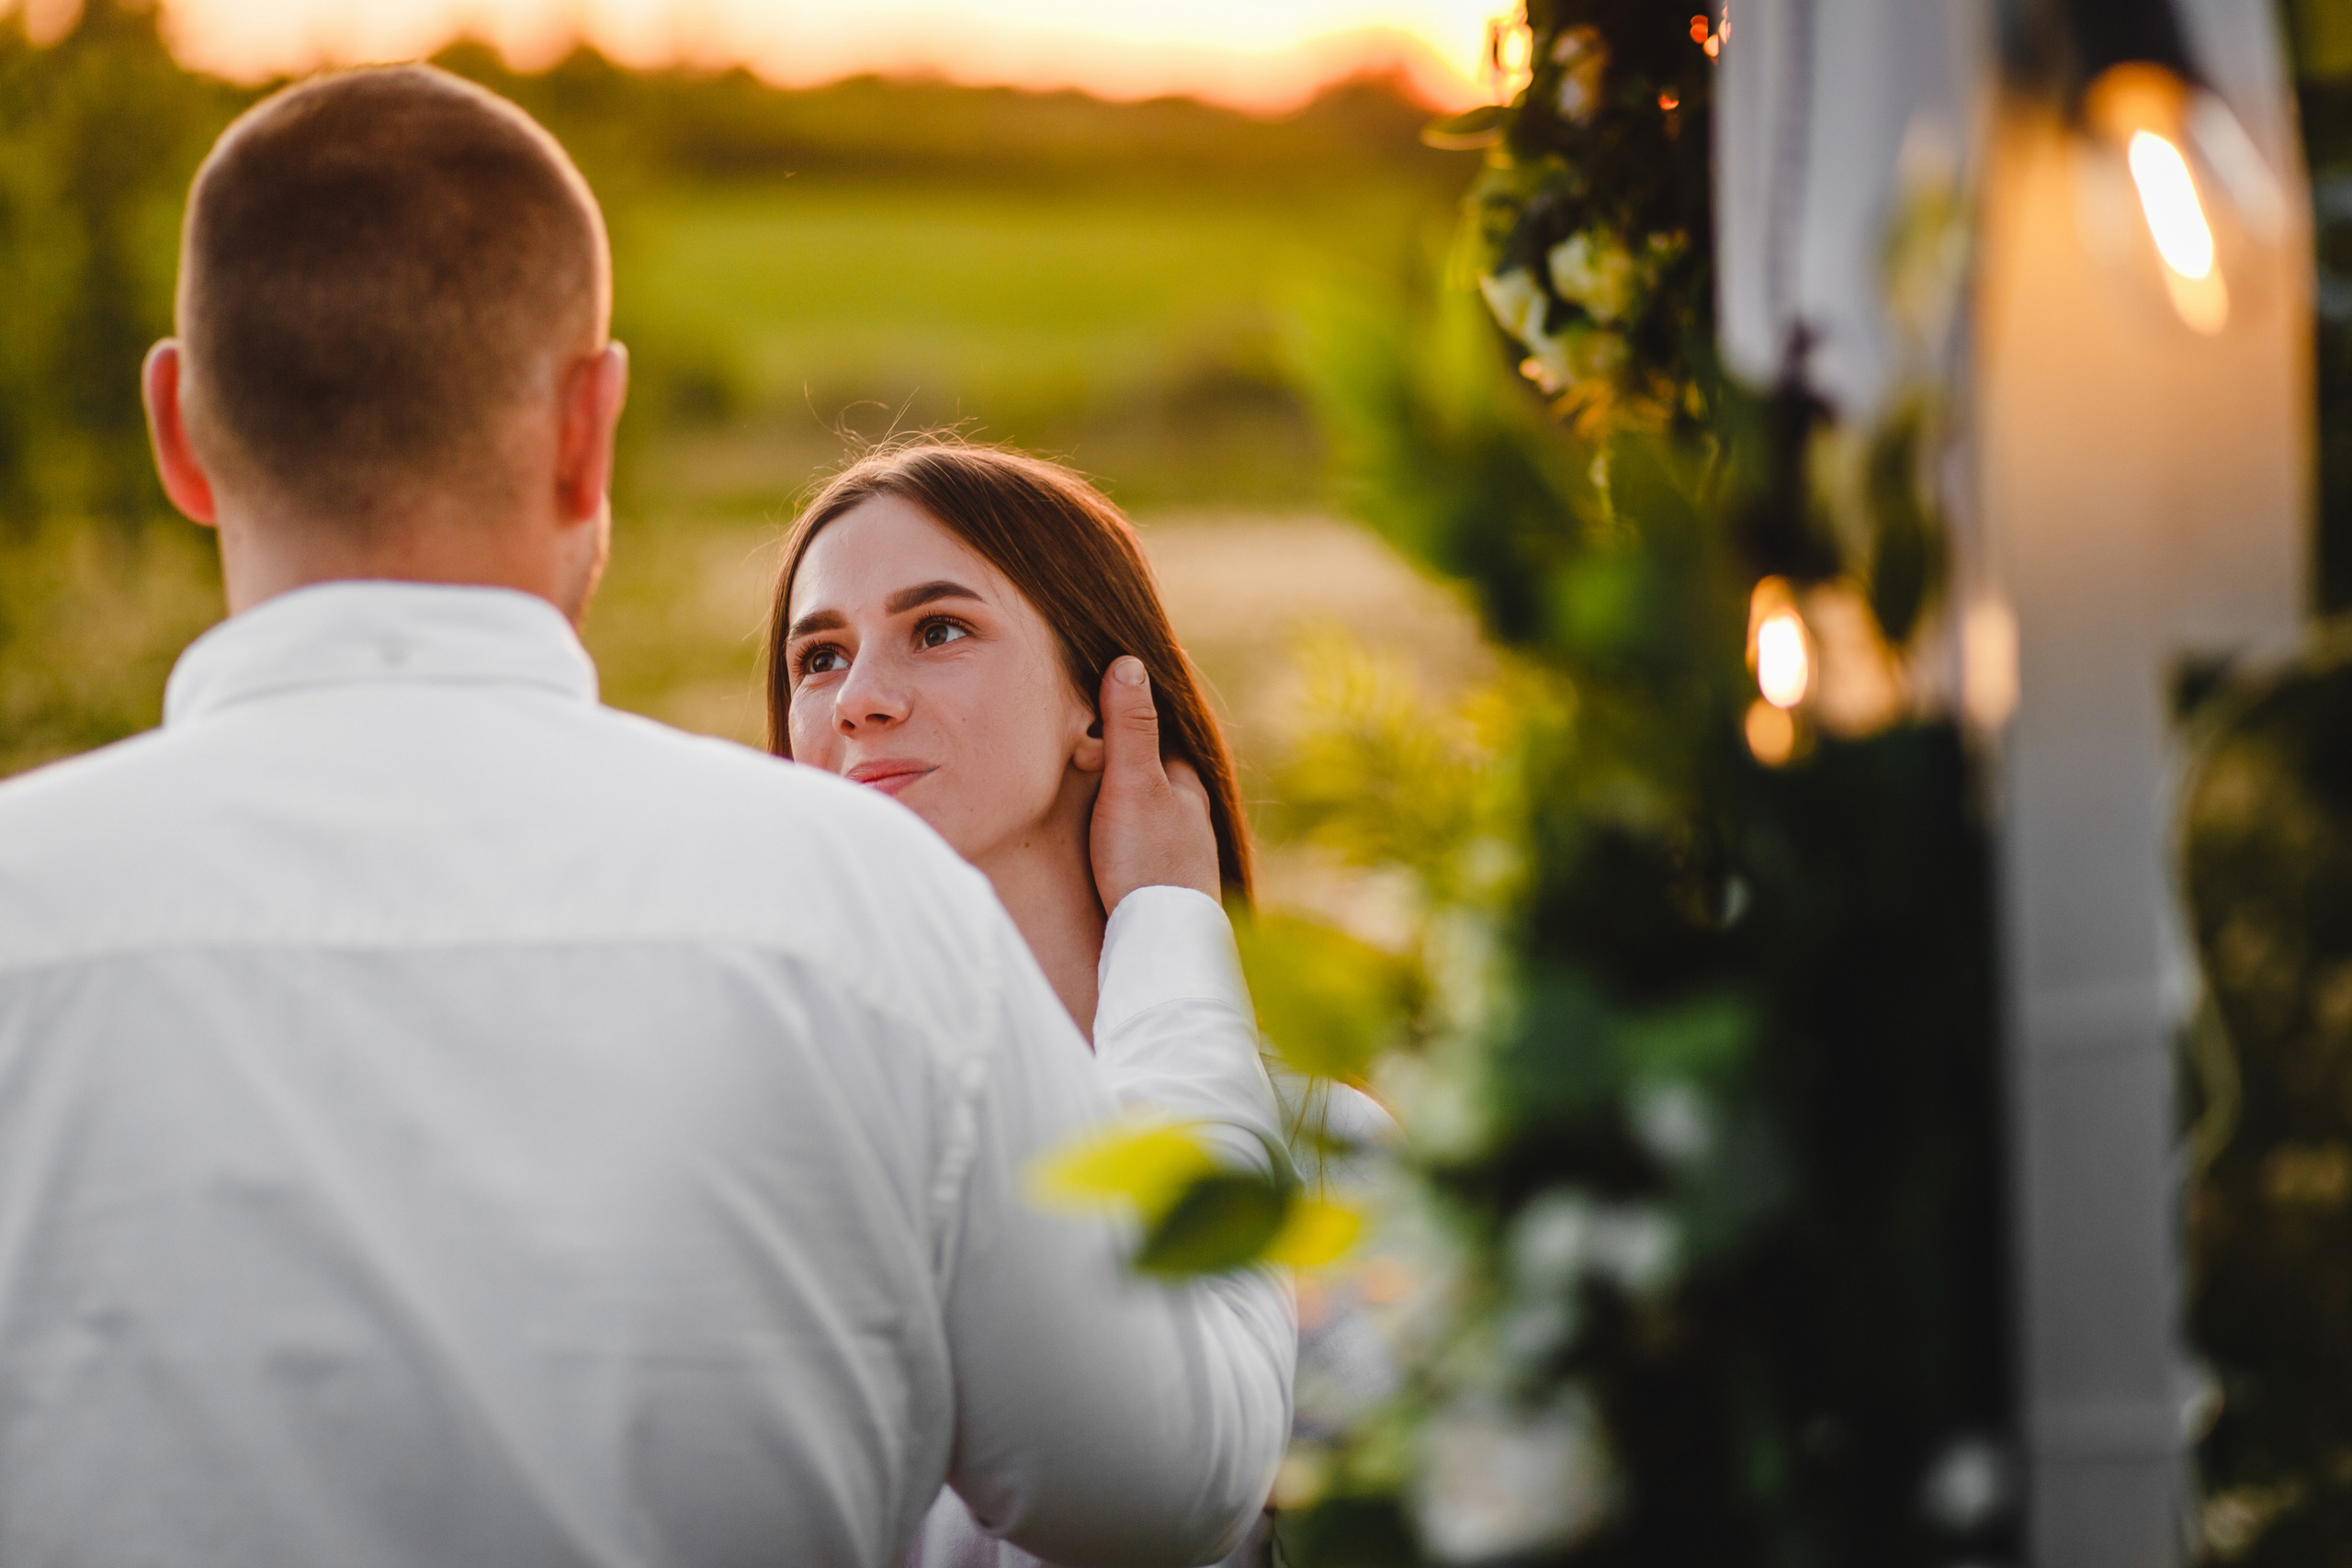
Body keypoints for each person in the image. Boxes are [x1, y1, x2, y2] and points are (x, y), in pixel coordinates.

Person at [0, 65, 1293, 1568]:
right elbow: (1179, 1476)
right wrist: (1177, 949)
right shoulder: (860, 917)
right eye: (825, 652)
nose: (865, 694)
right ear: (587, 424)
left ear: (176, 429)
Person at [769, 440, 1398, 1568]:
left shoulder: (1331, 1161)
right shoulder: (778, 1180)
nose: (859, 700)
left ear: (1106, 708)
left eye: (938, 629)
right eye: (817, 657)